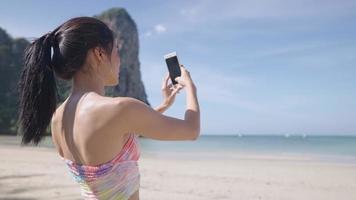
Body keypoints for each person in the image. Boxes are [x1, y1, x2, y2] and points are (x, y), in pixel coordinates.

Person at [17, 16, 200, 200]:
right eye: (117, 51)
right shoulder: (120, 109)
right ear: (99, 54)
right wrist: (190, 86)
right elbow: (191, 131)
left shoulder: (57, 118)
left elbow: (117, 133)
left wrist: (164, 105)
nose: (120, 60)